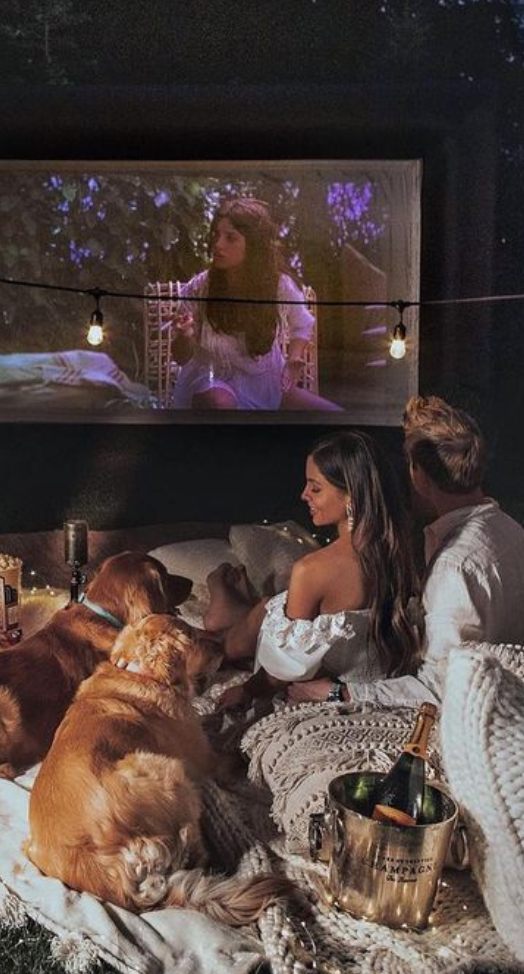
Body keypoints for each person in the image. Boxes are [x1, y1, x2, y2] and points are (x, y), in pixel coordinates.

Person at [210, 430, 421, 712]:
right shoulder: (405, 553)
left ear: (351, 496)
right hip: (372, 690)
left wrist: (247, 689)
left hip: (326, 696)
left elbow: (283, 671)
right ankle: (222, 624)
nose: (304, 495)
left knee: (257, 617)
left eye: (316, 488)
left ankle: (219, 613)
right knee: (267, 607)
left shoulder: (311, 570)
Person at [402, 394, 524, 697]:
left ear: (420, 475)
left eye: (409, 464)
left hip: (478, 706)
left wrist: (340, 693)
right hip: (515, 690)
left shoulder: (454, 566)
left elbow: (439, 687)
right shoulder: (510, 528)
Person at [170, 196, 340, 411]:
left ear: (253, 246)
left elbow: (303, 324)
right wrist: (184, 337)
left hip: (266, 383)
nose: (218, 245)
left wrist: (294, 357)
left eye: (230, 238)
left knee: (332, 414)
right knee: (219, 404)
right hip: (213, 382)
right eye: (216, 235)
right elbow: (181, 358)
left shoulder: (278, 285)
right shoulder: (200, 287)